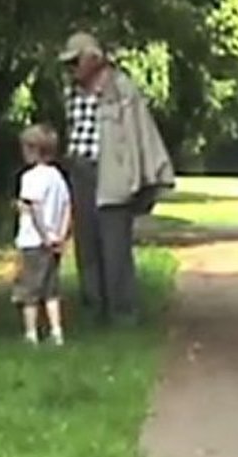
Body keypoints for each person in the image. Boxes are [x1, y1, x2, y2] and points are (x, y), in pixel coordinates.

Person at [60, 32, 175, 324]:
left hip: (113, 173)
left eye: (76, 62)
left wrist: (148, 178)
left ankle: (123, 312)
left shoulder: (122, 89)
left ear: (93, 59)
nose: (72, 69)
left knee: (115, 247)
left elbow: (141, 134)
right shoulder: (71, 91)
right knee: (86, 245)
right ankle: (93, 310)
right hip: (81, 170)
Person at [12, 124, 72, 346]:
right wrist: (61, 235)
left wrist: (44, 234)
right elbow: (67, 207)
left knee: (29, 291)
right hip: (54, 242)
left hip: (33, 242)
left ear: (32, 150)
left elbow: (34, 208)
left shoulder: (30, 178)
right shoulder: (58, 177)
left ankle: (31, 333)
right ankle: (57, 332)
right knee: (51, 290)